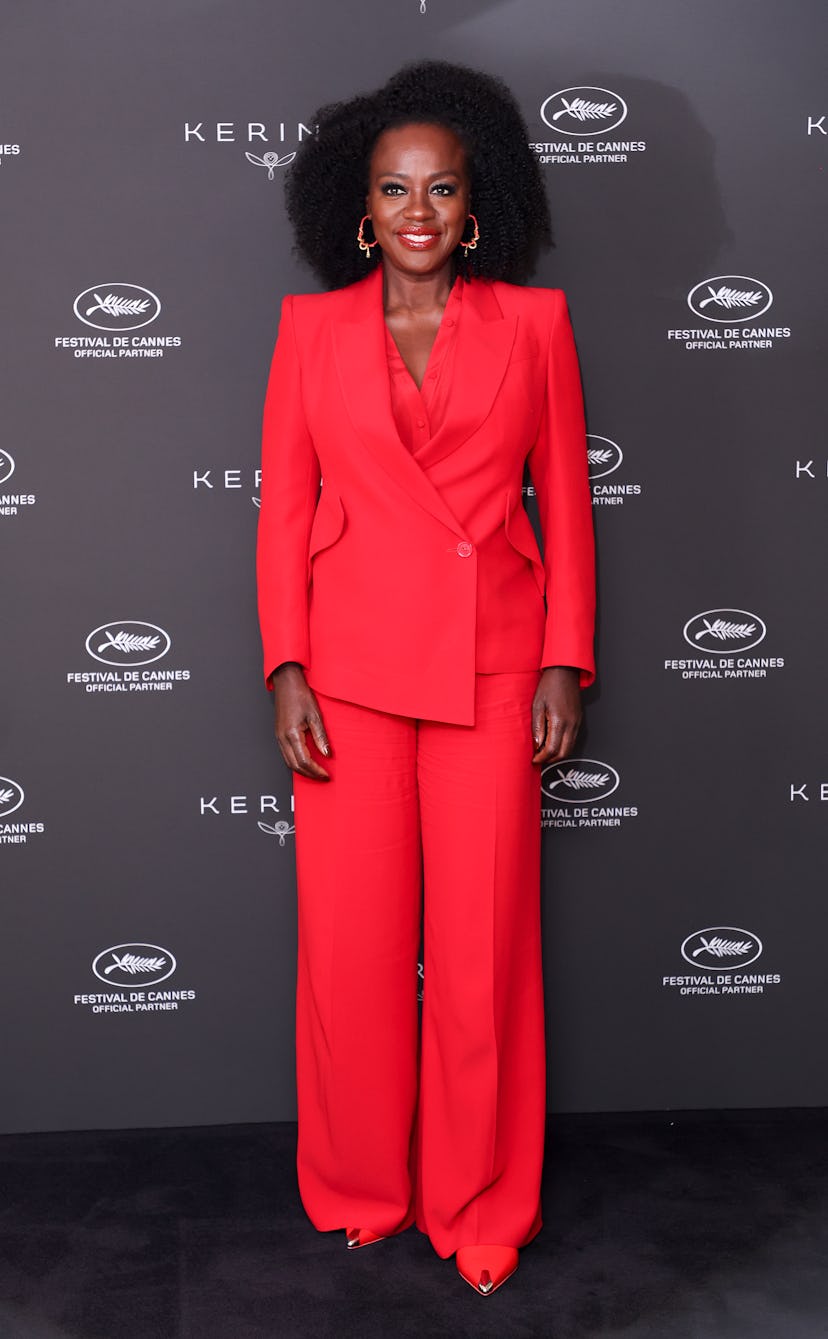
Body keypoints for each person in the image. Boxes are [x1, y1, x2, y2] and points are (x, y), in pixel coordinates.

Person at [256, 59, 595, 1297]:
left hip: (495, 666)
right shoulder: (309, 332)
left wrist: (566, 655)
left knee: (481, 958)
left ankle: (482, 1200)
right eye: (395, 189)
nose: (416, 211)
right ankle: (361, 1187)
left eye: (441, 189)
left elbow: (567, 498)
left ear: (474, 205)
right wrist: (284, 663)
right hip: (345, 672)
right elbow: (284, 510)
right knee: (349, 951)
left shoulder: (537, 326)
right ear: (360, 207)